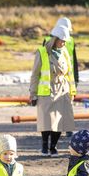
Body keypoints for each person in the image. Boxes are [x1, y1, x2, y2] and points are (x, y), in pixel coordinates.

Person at [30, 25, 76, 156]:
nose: (64, 43)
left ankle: (53, 147)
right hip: (46, 91)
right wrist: (33, 93)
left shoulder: (65, 51)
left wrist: (72, 91)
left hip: (63, 90)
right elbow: (35, 74)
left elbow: (70, 73)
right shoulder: (42, 52)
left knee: (60, 120)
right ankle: (44, 145)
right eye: (62, 40)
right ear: (55, 39)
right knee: (46, 121)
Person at [45, 17, 78, 87]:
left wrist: (76, 80)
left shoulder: (71, 40)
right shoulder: (47, 41)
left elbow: (74, 61)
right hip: (54, 77)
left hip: (68, 76)